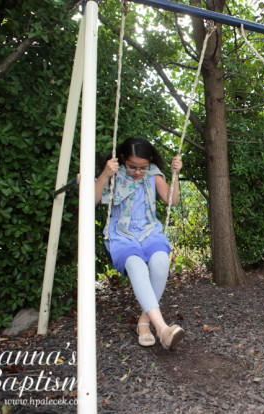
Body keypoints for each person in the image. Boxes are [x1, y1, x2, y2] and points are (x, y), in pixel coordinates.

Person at [95, 136, 184, 351]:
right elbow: (91, 201)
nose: (137, 172)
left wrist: (176, 175)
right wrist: (105, 173)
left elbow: (171, 200)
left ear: (149, 161)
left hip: (148, 231)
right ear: (123, 159)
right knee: (136, 266)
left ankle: (144, 323)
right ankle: (162, 328)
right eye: (132, 167)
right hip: (122, 234)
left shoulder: (153, 173)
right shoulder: (115, 174)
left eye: (142, 167)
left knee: (161, 262)